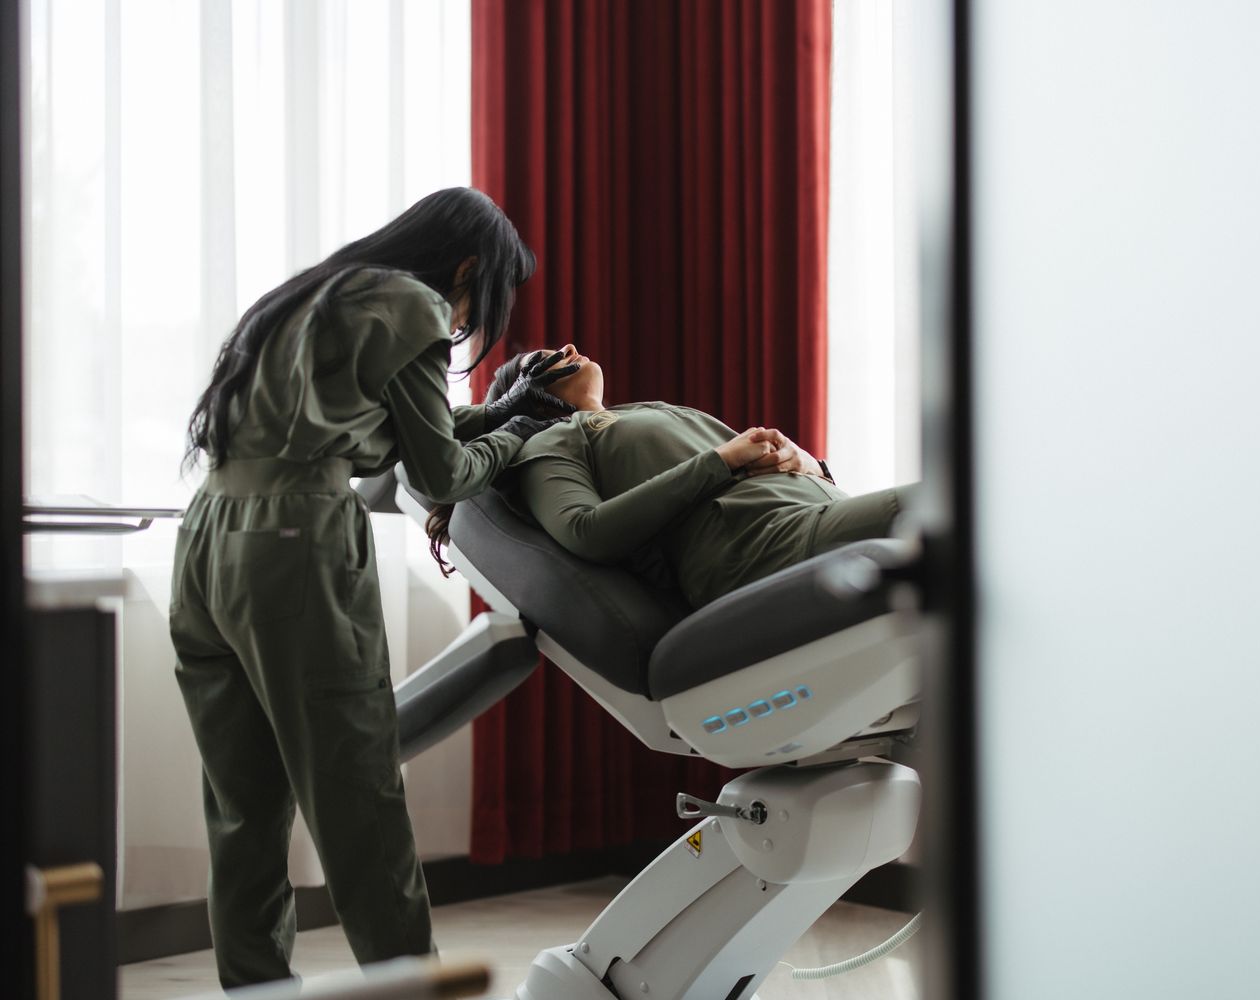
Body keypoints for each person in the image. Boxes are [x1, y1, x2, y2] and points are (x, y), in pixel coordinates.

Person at [170, 188, 576, 988]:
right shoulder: (412, 304)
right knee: (359, 797)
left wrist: (499, 411)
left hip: (208, 535)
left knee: (242, 808)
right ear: (464, 268)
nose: (462, 322)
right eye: (476, 302)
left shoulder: (306, 297)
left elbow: (393, 434)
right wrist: (525, 432)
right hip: (294, 547)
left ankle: (254, 989)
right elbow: (439, 472)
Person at [427, 345, 914, 609]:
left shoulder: (632, 415)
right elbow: (585, 529)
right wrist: (719, 461)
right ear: (529, 392)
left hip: (811, 515)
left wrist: (810, 465)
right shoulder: (548, 442)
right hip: (757, 547)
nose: (572, 347)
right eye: (548, 359)